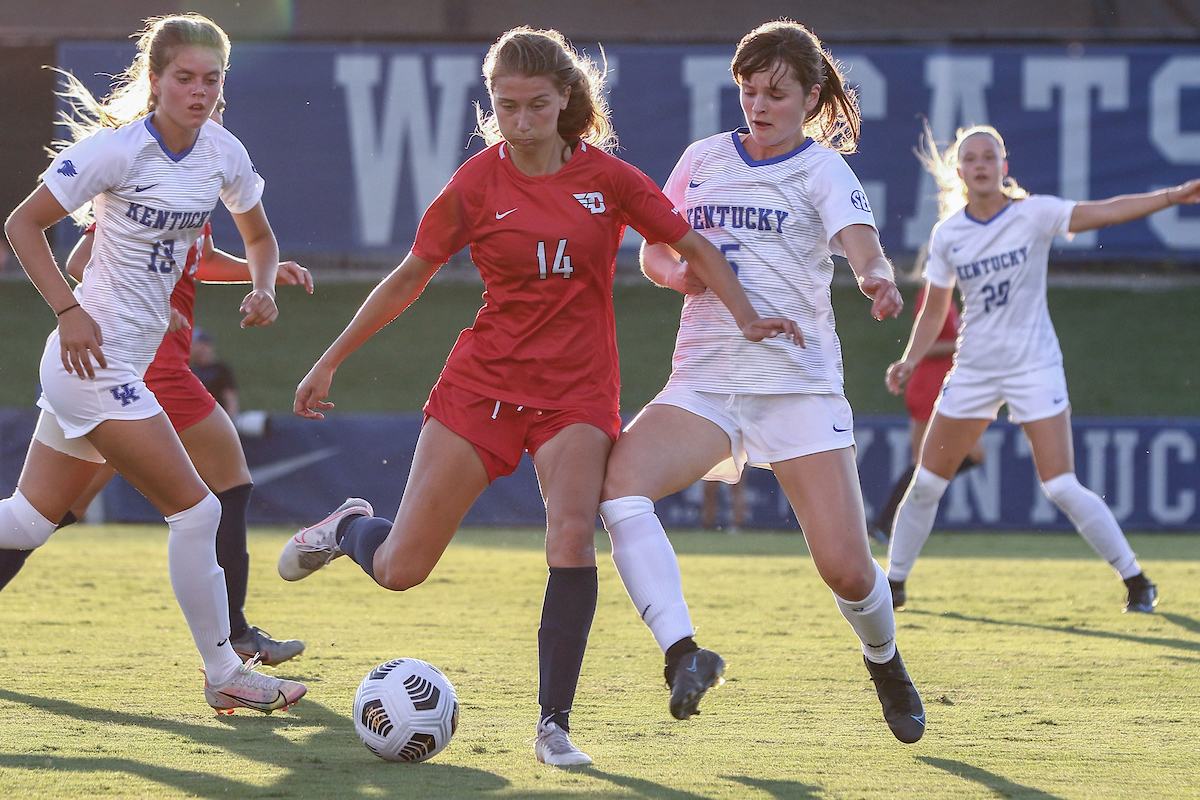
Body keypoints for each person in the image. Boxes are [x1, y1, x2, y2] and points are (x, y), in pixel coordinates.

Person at [276, 26, 797, 766]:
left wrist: (745, 317)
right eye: (506, 106)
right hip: (482, 386)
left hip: (577, 395)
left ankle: (554, 725)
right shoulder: (475, 184)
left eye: (536, 107)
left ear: (565, 102)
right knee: (400, 570)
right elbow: (408, 278)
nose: (520, 123)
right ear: (492, 105)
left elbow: (694, 246)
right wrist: (329, 360)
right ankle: (349, 527)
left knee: (572, 535)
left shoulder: (608, 179)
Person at [597, 20, 926, 744]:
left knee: (844, 569)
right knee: (618, 488)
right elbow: (655, 247)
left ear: (810, 96)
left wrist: (876, 279)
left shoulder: (822, 169)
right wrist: (672, 271)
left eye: (775, 92)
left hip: (796, 386)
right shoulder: (703, 158)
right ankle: (685, 655)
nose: (759, 104)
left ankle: (886, 660)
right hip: (705, 383)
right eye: (748, 90)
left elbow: (860, 243)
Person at [0, 13, 305, 713]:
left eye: (212, 78)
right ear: (156, 80)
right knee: (196, 511)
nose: (199, 91)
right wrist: (68, 311)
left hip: (119, 368)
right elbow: (23, 223)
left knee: (26, 521)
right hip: (93, 366)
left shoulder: (223, 151)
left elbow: (259, 234)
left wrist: (262, 286)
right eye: (184, 78)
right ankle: (225, 673)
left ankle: (225, 669)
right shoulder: (116, 151)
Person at [0, 169, 314, 667]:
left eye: (215, 92)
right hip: (148, 368)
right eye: (191, 85)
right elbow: (81, 258)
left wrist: (264, 275)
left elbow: (201, 260)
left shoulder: (199, 180)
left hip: (133, 369)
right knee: (224, 488)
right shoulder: (148, 176)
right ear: (160, 91)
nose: (209, 107)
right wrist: (148, 302)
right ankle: (234, 642)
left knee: (48, 514)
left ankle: (232, 646)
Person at [884, 124, 1198, 613]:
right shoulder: (949, 235)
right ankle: (895, 584)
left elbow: (1109, 212)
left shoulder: (1034, 214)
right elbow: (933, 308)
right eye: (971, 158)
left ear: (1004, 167)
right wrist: (910, 358)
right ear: (960, 171)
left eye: (991, 157)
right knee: (926, 481)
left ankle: (1136, 580)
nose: (982, 164)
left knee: (1061, 485)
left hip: (1034, 366)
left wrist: (1173, 195)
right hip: (975, 369)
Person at [868, 283, 984, 544]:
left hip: (943, 385)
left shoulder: (951, 299)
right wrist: (962, 344)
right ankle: (886, 523)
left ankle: (887, 522)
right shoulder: (928, 295)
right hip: (928, 386)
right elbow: (927, 347)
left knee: (956, 459)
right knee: (922, 464)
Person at [189, 327, 238, 416]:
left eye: (194, 344)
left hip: (218, 417)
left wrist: (231, 418)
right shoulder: (192, 371)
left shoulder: (221, 369)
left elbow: (229, 396)